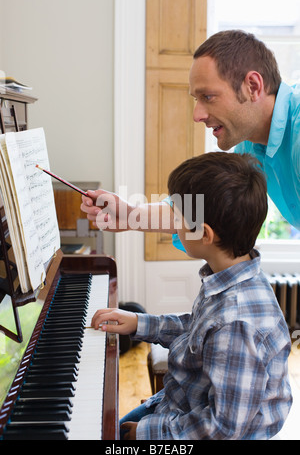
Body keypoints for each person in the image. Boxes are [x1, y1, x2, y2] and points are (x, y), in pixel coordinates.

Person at [90, 152, 292, 440]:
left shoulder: (237, 323)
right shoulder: (233, 276)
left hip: (194, 428)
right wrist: (139, 322)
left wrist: (146, 433)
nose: (172, 220)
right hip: (178, 405)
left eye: (177, 215)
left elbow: (221, 428)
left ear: (204, 234)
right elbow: (200, 331)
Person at [81, 30, 300, 245]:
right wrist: (130, 214)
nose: (197, 115)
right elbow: (204, 210)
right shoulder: (249, 145)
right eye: (197, 99)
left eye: (208, 96)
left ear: (252, 86)